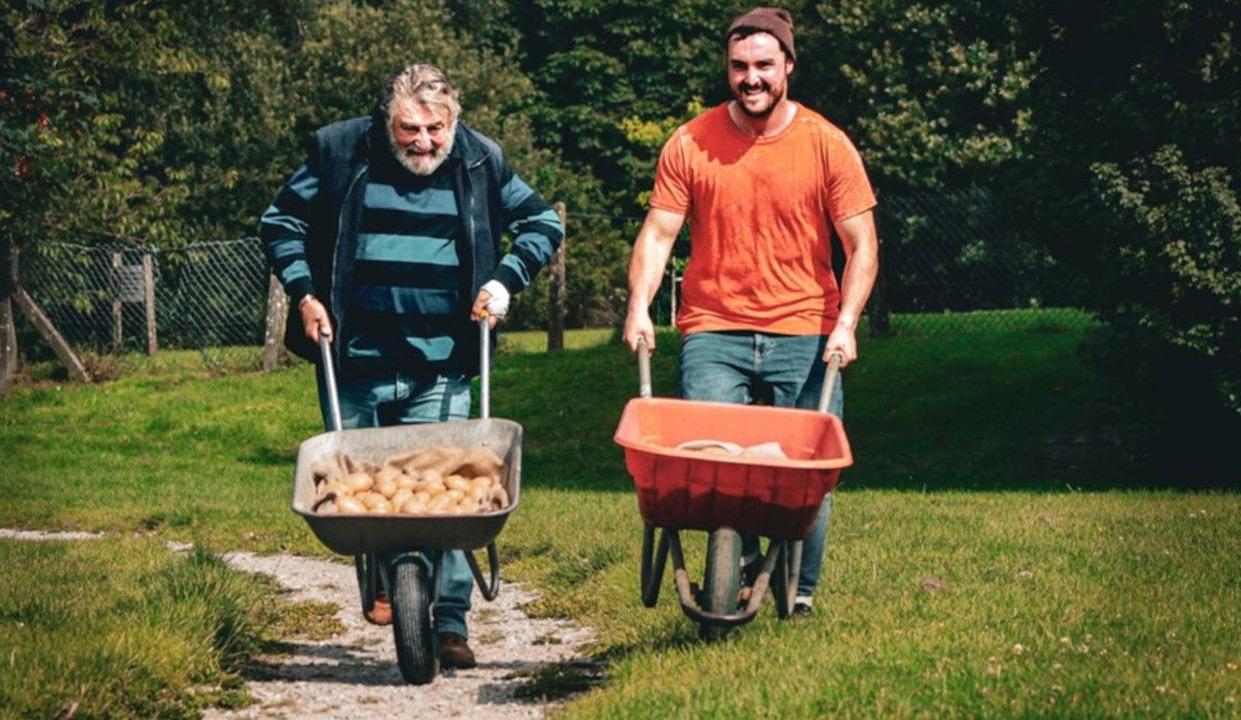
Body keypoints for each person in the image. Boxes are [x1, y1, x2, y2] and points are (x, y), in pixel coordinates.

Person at [260, 63, 563, 668]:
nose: (424, 142)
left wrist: (505, 281)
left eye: (435, 128)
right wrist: (305, 293)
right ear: (386, 119)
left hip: (444, 361)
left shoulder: (480, 160)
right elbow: (281, 222)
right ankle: (383, 572)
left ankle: (449, 622)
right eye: (409, 129)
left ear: (454, 118)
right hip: (355, 359)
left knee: (453, 497)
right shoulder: (340, 150)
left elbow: (542, 222)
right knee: (363, 491)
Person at [622, 7, 879, 616]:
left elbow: (861, 245)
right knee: (710, 461)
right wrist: (639, 307)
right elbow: (659, 235)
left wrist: (846, 323)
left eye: (764, 65)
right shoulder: (692, 141)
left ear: (788, 65)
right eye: (739, 67)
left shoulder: (826, 145)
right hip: (715, 325)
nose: (751, 78)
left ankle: (801, 595)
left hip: (806, 329)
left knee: (807, 471)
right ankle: (735, 562)